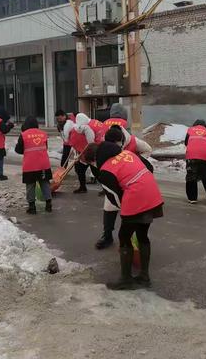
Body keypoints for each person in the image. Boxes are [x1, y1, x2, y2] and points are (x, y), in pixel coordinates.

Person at [84, 142, 164, 290]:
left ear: (95, 159)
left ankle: (126, 279)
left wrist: (127, 213)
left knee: (124, 236)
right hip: (152, 192)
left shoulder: (106, 170)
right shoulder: (128, 153)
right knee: (142, 234)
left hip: (136, 196)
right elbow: (148, 168)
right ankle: (144, 276)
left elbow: (114, 197)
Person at [95, 125, 153, 250]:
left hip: (132, 182)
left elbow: (148, 149)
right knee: (110, 206)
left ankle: (134, 238)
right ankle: (107, 235)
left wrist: (139, 160)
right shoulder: (107, 145)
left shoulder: (133, 141)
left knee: (133, 212)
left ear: (121, 140)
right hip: (115, 180)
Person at [15, 116, 53, 214]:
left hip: (30, 165)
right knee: (45, 183)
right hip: (43, 164)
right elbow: (46, 147)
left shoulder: (23, 135)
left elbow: (18, 150)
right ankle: (48, 204)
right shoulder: (43, 134)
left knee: (30, 186)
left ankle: (32, 207)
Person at [67, 113, 104, 193]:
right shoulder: (93, 122)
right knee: (80, 169)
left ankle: (105, 189)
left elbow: (91, 142)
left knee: (96, 171)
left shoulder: (88, 128)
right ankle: (83, 187)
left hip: (94, 151)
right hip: (89, 149)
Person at [185, 120, 206, 204]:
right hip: (205, 155)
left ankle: (192, 198)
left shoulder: (190, 130)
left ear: (194, 125)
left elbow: (186, 143)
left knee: (191, 176)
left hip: (192, 155)